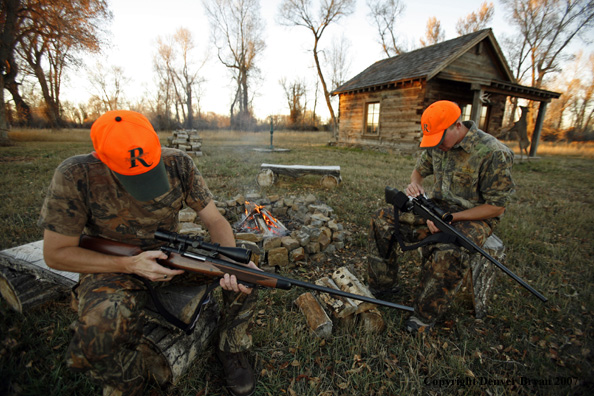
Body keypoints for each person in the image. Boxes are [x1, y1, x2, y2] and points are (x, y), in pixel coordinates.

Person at [38, 110, 258, 396]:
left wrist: (228, 264)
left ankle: (232, 348)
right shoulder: (74, 175)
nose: (144, 181)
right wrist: (129, 264)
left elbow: (215, 220)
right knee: (98, 330)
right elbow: (55, 254)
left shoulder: (178, 163)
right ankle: (132, 387)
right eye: (134, 177)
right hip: (113, 267)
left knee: (248, 265)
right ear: (101, 157)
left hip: (169, 257)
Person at [366, 100, 515, 332]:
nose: (436, 145)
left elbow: (496, 207)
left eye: (439, 139)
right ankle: (382, 284)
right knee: (382, 218)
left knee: (449, 250)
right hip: (435, 209)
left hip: (474, 217)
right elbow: (419, 171)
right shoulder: (438, 143)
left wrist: (452, 219)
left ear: (456, 125)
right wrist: (416, 187)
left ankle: (425, 315)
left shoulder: (493, 153)